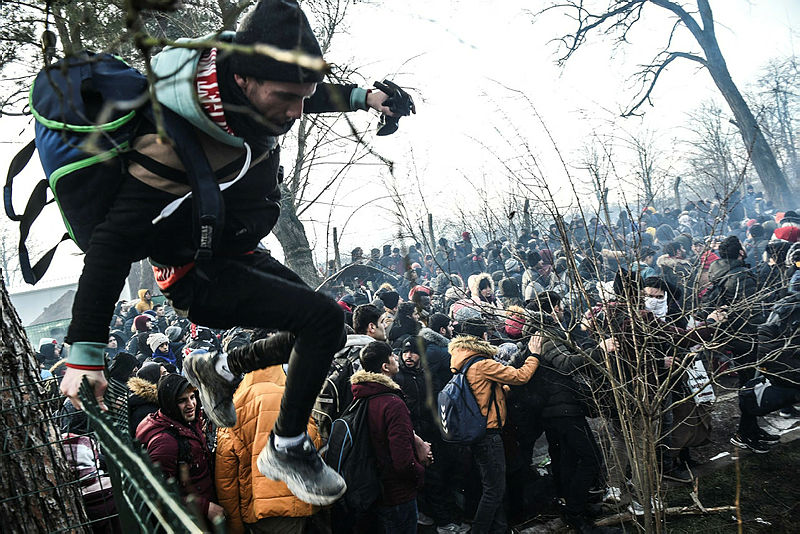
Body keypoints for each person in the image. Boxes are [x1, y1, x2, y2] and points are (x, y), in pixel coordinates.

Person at [59, 0, 411, 506]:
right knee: (318, 320)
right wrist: (85, 351)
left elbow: (301, 91)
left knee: (329, 328)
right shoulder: (174, 141)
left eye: (302, 97)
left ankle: (221, 369)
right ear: (243, 79)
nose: (295, 111)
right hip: (195, 274)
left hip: (238, 250)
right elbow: (112, 242)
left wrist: (364, 97)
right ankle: (286, 448)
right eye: (286, 98)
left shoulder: (253, 86)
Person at [447, 334, 539, 534]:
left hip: (477, 434)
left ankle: (500, 529)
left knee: (492, 487)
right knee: (494, 491)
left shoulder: (463, 364)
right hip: (489, 434)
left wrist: (503, 391)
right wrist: (534, 356)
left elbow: (485, 396)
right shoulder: (482, 364)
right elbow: (521, 376)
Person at [216, 364, 323, 534]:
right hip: (295, 502)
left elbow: (226, 477)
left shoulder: (234, 407)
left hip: (256, 508)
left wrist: (234, 525)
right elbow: (315, 444)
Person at [352, 341, 425, 534]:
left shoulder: (361, 395)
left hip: (373, 489)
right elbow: (402, 461)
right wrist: (420, 471)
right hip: (397, 494)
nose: (397, 359)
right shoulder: (392, 403)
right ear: (385, 366)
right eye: (392, 356)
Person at [136, 374, 224, 523]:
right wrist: (205, 508)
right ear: (169, 403)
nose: (191, 404)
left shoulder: (185, 423)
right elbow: (160, 494)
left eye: (192, 397)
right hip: (193, 520)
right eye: (182, 401)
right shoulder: (164, 442)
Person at [127, 362, 165, 436]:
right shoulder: (146, 410)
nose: (168, 375)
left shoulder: (156, 401)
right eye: (164, 374)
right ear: (155, 378)